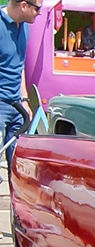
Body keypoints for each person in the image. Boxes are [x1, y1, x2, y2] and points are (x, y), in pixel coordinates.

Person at [0, 0, 37, 165]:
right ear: (24, 5)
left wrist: (24, 99)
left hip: (17, 106)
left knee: (17, 165)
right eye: (37, 9)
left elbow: (19, 65)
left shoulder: (24, 26)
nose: (39, 13)